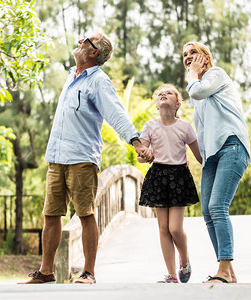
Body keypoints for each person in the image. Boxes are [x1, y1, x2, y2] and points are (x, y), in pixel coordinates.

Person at [20, 33, 151, 285]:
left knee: (85, 213)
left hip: (81, 157)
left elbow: (116, 114)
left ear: (93, 53)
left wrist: (136, 141)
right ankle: (46, 271)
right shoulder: (71, 76)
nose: (80, 42)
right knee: (51, 213)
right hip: (56, 156)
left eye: (85, 40)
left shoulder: (99, 82)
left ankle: (88, 272)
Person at [182, 41, 251, 283]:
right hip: (211, 155)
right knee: (207, 211)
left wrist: (192, 75)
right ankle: (227, 271)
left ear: (205, 57)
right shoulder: (197, 93)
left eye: (193, 52)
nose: (188, 56)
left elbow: (198, 90)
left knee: (218, 206)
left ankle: (224, 267)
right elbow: (201, 130)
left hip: (231, 145)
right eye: (185, 55)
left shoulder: (216, 74)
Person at [137, 84, 202, 283]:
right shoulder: (150, 126)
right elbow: (141, 157)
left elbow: (199, 156)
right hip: (158, 176)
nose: (163, 95)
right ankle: (172, 275)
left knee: (175, 228)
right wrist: (145, 155)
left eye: (169, 93)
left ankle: (185, 259)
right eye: (160, 94)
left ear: (177, 104)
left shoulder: (185, 127)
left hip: (178, 177)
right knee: (163, 228)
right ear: (157, 105)